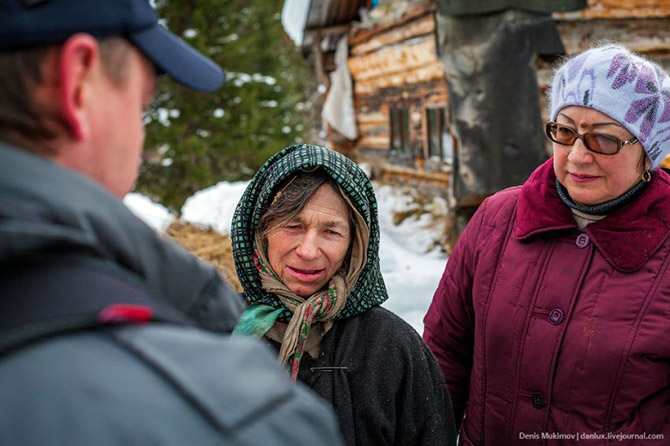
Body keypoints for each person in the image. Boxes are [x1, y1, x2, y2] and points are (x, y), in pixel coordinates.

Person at [0, 1, 343, 445]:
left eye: (330, 230)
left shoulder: (388, 347)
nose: (140, 144)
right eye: (142, 106)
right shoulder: (237, 417)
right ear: (78, 81)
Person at [424, 44, 670, 445]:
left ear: (648, 151)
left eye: (603, 140)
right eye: (565, 130)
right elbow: (442, 357)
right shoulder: (496, 219)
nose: (576, 156)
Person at [231, 143, 457, 446]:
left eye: (331, 232)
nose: (309, 251)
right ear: (261, 232)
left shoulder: (394, 348)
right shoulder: (219, 333)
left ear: (355, 244)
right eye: (293, 225)